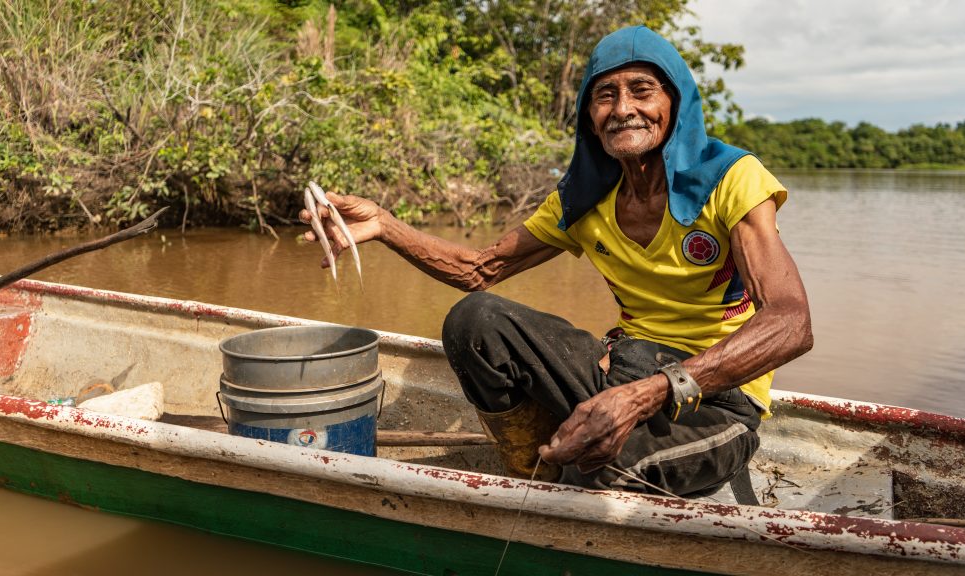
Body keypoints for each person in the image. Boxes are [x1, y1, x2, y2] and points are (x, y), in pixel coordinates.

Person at [299, 25, 812, 497]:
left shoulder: (731, 178)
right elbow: (479, 270)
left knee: (605, 469)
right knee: (476, 319)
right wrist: (385, 225)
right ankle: (534, 469)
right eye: (604, 95)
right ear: (589, 117)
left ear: (675, 103)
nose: (622, 108)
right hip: (626, 367)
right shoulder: (583, 200)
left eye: (641, 90)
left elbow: (791, 322)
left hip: (714, 399)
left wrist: (648, 394)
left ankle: (573, 470)